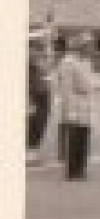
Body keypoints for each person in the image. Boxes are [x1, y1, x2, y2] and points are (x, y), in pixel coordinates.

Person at [56, 33, 94, 181]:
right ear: (79, 46)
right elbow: (66, 88)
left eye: (89, 45)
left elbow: (89, 82)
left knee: (84, 137)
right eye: (86, 45)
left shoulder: (86, 62)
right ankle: (72, 171)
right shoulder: (68, 63)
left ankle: (81, 169)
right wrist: (69, 110)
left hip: (85, 102)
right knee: (74, 138)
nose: (89, 48)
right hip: (75, 102)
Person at [26, 29, 52, 167]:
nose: (39, 47)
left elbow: (47, 69)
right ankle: (29, 153)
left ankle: (33, 153)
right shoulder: (30, 58)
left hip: (43, 93)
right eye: (37, 44)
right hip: (34, 94)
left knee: (41, 122)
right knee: (34, 123)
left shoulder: (38, 58)